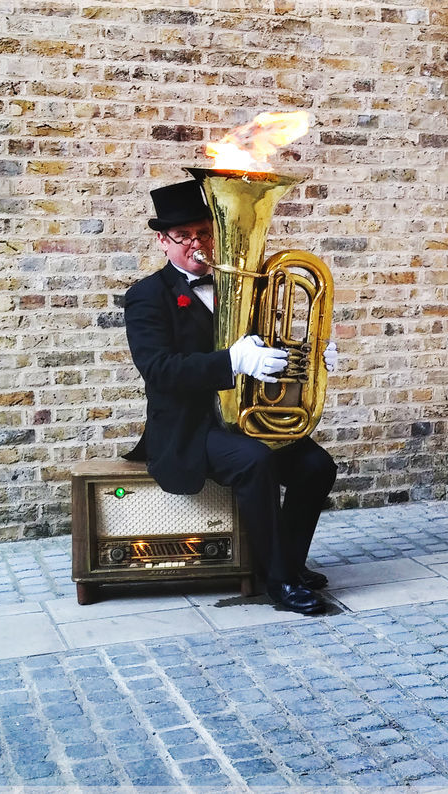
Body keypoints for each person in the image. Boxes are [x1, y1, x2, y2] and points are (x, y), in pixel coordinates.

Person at [122, 179, 338, 615]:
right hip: (189, 427)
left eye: (204, 232)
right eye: (183, 237)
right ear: (163, 242)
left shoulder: (244, 285)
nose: (195, 244)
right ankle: (278, 582)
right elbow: (158, 369)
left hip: (245, 417)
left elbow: (268, 346)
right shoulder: (147, 296)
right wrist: (231, 362)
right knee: (253, 461)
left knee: (317, 466)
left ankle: (289, 563)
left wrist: (309, 354)